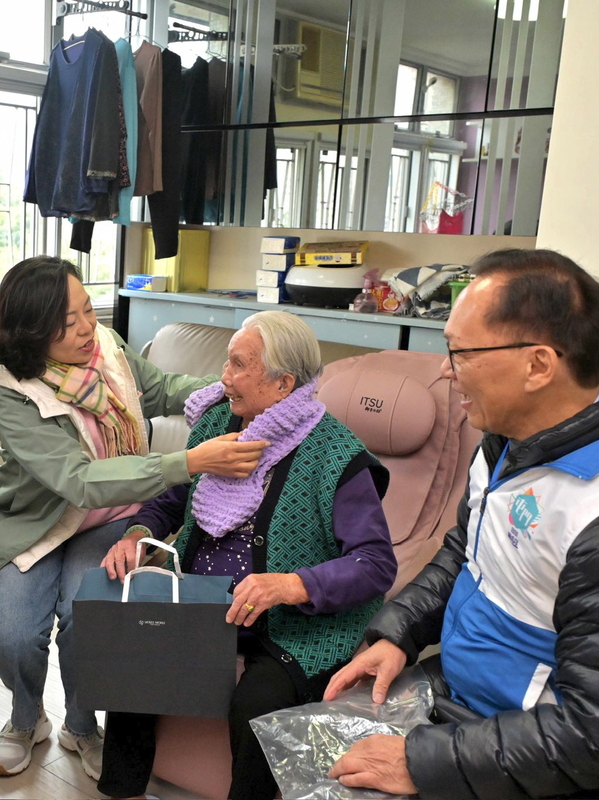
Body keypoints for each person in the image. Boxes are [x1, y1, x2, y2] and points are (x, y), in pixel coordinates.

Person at [325, 249, 599, 800]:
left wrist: (422, 763)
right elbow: (466, 551)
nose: (445, 369)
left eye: (460, 352)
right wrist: (399, 631)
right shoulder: (506, 442)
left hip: (554, 765)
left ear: (539, 365)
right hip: (472, 711)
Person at [0, 256, 269, 780]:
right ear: (33, 333)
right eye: (67, 323)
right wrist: (189, 462)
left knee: (91, 616)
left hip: (111, 518)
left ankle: (82, 726)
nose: (87, 328)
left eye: (87, 308)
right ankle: (25, 718)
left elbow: (158, 389)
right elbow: (80, 481)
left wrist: (229, 386)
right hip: (34, 524)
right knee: (14, 633)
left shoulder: (107, 349)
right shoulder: (14, 392)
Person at [95, 310, 397, 800]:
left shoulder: (334, 454)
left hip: (291, 623)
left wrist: (290, 585)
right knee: (137, 660)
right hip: (206, 603)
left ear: (283, 384)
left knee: (256, 706)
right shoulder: (218, 423)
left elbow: (375, 563)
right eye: (226, 363)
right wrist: (136, 532)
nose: (224, 378)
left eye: (238, 365)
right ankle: (123, 792)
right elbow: (175, 498)